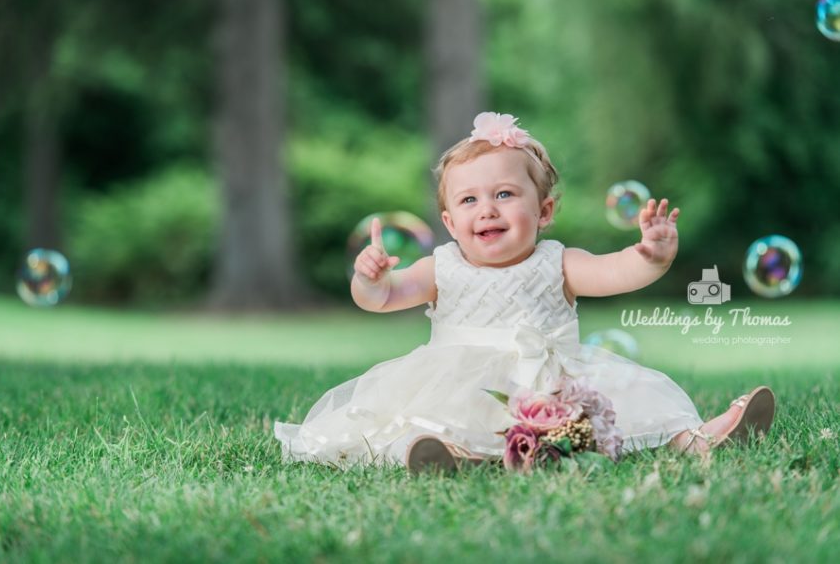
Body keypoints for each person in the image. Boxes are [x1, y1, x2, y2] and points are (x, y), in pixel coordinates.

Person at [273, 112, 775, 472]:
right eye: (469, 200)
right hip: (459, 386)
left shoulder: (559, 261)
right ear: (449, 221)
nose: (487, 210)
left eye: (505, 194)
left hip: (553, 386)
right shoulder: (440, 266)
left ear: (545, 212)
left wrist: (653, 254)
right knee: (428, 422)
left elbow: (616, 272)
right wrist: (372, 278)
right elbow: (379, 299)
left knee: (629, 410)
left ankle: (700, 439)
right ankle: (445, 457)